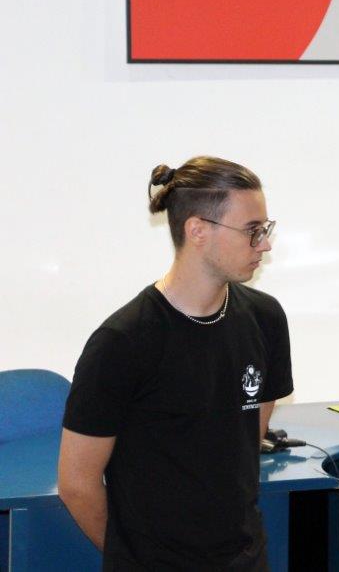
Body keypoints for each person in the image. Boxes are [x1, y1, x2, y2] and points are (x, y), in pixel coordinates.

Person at [58, 157, 293, 570]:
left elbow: (246, 444)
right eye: (252, 230)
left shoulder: (265, 318)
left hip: (244, 556)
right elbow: (77, 483)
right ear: (197, 230)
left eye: (265, 229)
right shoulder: (123, 341)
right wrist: (135, 559)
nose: (265, 244)